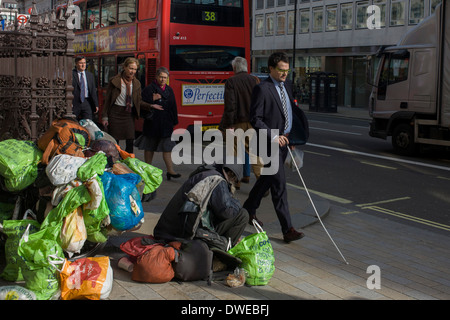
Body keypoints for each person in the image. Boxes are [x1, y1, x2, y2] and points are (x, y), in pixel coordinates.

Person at [243, 52, 309, 243]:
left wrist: (293, 140)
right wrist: (273, 136)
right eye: (281, 70)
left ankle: (248, 209)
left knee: (266, 180)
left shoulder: (287, 85)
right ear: (271, 68)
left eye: (287, 71)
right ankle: (287, 229)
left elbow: (290, 114)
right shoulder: (262, 89)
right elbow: (255, 118)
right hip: (269, 143)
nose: (284, 74)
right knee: (279, 186)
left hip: (285, 142)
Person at [153, 160, 248, 251]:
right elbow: (227, 212)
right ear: (232, 175)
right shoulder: (217, 180)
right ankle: (221, 255)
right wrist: (236, 202)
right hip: (180, 235)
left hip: (167, 231)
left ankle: (222, 247)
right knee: (242, 215)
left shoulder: (206, 173)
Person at [219, 56, 263, 188]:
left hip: (237, 122)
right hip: (253, 122)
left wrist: (228, 124)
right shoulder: (254, 80)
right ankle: (262, 182)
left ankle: (235, 181)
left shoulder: (231, 81)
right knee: (255, 152)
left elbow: (230, 105)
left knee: (235, 153)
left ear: (234, 68)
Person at [134, 67, 180, 180]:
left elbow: (173, 106)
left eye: (165, 77)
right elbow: (140, 103)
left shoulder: (169, 90)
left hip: (166, 124)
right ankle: (148, 169)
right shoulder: (149, 89)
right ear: (156, 77)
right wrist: (151, 99)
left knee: (167, 148)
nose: (163, 79)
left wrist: (175, 121)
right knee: (149, 147)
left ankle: (170, 170)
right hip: (152, 123)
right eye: (161, 77)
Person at [101, 57, 154, 154]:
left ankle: (128, 162)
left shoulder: (137, 83)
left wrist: (150, 106)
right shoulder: (114, 81)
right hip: (115, 114)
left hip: (128, 115)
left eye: (134, 69)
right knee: (115, 142)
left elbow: (139, 101)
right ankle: (115, 162)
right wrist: (105, 117)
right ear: (124, 67)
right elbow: (107, 100)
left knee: (130, 140)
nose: (132, 71)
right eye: (130, 68)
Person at [72, 56, 98, 121]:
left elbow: (93, 91)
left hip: (86, 102)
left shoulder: (90, 75)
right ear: (76, 64)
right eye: (81, 63)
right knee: (73, 122)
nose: (83, 65)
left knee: (88, 122)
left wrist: (96, 104)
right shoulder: (72, 74)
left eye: (84, 63)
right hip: (75, 102)